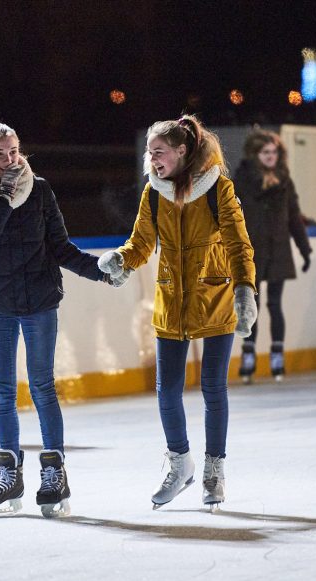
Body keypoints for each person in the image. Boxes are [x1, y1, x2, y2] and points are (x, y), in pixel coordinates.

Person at [98, 115, 257, 511]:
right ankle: (180, 462)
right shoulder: (154, 193)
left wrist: (245, 290)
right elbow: (140, 243)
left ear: (182, 151)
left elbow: (239, 244)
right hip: (172, 300)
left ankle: (214, 470)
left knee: (212, 387)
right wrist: (121, 260)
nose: (152, 159)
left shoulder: (217, 186)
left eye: (160, 152)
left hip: (215, 294)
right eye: (149, 153)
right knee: (167, 391)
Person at [0, 123, 116, 518]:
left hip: (40, 301)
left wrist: (100, 270)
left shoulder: (41, 190)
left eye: (14, 151)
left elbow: (60, 247)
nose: (10, 160)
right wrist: (3, 199)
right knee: (3, 390)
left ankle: (54, 471)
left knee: (43, 386)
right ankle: (8, 470)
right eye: (0, 154)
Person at [233, 129, 311, 384]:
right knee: (250, 305)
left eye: (274, 152)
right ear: (255, 154)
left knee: (275, 305)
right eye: (266, 152)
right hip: (251, 251)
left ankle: (277, 355)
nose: (271, 157)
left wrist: (304, 248)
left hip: (277, 248)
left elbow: (294, 216)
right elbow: (230, 217)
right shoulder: (242, 179)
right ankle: (249, 355)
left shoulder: (284, 180)